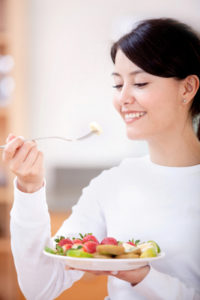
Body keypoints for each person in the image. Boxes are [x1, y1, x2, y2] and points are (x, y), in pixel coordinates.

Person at [2, 17, 200, 300]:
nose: (124, 98)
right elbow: (40, 287)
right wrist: (30, 188)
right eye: (119, 85)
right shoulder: (112, 184)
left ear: (187, 88)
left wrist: (141, 276)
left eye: (141, 83)